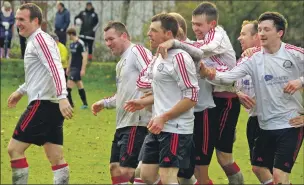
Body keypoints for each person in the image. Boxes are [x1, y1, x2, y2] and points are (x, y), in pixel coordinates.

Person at [200, 12, 304, 185]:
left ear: (280, 33)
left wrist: (300, 81)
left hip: (290, 124)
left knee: (279, 176)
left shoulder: (294, 53)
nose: (262, 33)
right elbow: (228, 78)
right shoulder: (253, 59)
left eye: (267, 29)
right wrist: (207, 74)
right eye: (260, 29)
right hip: (264, 125)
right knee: (259, 168)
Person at [156, 2, 243, 184]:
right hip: (193, 113)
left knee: (219, 158)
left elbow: (203, 53)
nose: (195, 28)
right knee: (185, 173)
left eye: (199, 24)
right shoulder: (180, 50)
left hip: (213, 106)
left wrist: (238, 90)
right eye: (193, 24)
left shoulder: (215, 36)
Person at [126, 13, 199, 184]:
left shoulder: (180, 57)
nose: (148, 34)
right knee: (146, 175)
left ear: (168, 34)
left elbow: (192, 97)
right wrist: (142, 102)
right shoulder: (159, 56)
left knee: (168, 177)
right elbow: (164, 92)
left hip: (176, 128)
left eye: (153, 30)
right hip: (157, 126)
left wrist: (164, 117)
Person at [7, 3, 73, 184]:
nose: (17, 23)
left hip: (42, 104)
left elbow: (55, 68)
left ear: (35, 21)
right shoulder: (36, 40)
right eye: (16, 19)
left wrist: (62, 96)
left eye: (22, 19)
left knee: (14, 149)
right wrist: (21, 91)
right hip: (50, 106)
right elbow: (40, 74)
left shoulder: (40, 40)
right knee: (56, 157)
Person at [91, 21, 152, 184]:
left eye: (111, 39)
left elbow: (154, 77)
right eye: (106, 40)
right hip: (122, 123)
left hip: (137, 122)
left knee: (127, 170)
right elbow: (122, 94)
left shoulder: (136, 51)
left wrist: (146, 100)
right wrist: (104, 103)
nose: (108, 44)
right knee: (115, 168)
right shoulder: (120, 64)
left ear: (124, 36)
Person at [66, 27, 88, 109]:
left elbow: (85, 57)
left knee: (68, 88)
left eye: (69, 35)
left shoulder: (80, 43)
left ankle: (70, 105)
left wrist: (83, 69)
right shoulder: (71, 44)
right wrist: (68, 68)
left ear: (71, 34)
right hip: (72, 68)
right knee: (80, 85)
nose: (68, 37)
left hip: (77, 69)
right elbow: (71, 56)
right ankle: (85, 104)